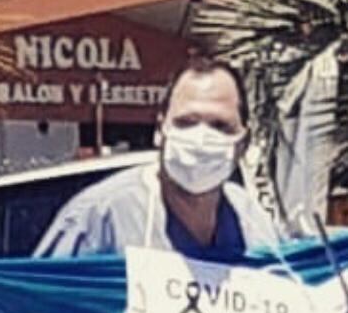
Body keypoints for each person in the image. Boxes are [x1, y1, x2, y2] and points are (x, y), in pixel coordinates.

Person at [34, 57, 278, 259]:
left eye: (219, 125)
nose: (201, 138)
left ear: (243, 143)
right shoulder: (98, 218)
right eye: (186, 122)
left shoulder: (254, 224)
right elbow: (40, 307)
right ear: (160, 131)